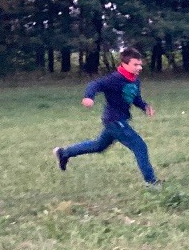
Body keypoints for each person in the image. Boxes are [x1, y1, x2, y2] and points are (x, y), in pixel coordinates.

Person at [53, 46, 159, 185]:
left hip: (119, 119)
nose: (139, 68)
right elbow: (95, 84)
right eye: (135, 65)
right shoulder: (114, 79)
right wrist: (89, 97)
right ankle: (151, 182)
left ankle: (64, 153)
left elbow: (135, 98)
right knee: (139, 146)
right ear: (124, 64)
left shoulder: (135, 80)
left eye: (140, 64)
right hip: (114, 120)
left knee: (99, 145)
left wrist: (144, 106)